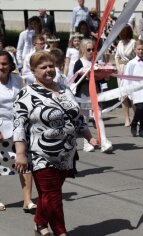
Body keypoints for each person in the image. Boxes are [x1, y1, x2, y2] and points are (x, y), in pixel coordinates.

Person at [13, 51, 98, 236]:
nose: (48, 70)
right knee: (53, 194)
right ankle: (61, 231)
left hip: (66, 153)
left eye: (51, 66)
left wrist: (89, 136)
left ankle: (40, 223)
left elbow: (77, 117)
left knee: (49, 194)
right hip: (40, 154)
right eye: (43, 67)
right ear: (33, 71)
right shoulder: (26, 93)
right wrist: (20, 154)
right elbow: (19, 126)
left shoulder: (64, 88)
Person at [0, 50, 38, 214]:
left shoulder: (18, 80)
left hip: (19, 128)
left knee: (24, 162)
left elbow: (27, 101)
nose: (1, 67)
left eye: (4, 63)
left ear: (10, 65)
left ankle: (27, 200)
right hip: (1, 129)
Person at [73, 39, 113, 153]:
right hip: (84, 93)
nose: (91, 52)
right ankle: (87, 142)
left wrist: (105, 77)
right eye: (88, 50)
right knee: (85, 118)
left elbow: (100, 79)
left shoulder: (96, 63)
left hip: (96, 92)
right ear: (82, 50)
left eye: (92, 49)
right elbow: (75, 79)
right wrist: (84, 76)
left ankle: (104, 140)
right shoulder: (79, 62)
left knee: (98, 116)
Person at [115, 25, 136, 127]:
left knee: (132, 95)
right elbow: (116, 57)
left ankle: (137, 117)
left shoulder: (133, 43)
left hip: (131, 70)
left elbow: (136, 57)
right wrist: (118, 68)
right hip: (121, 71)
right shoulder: (119, 43)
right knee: (123, 95)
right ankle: (127, 118)